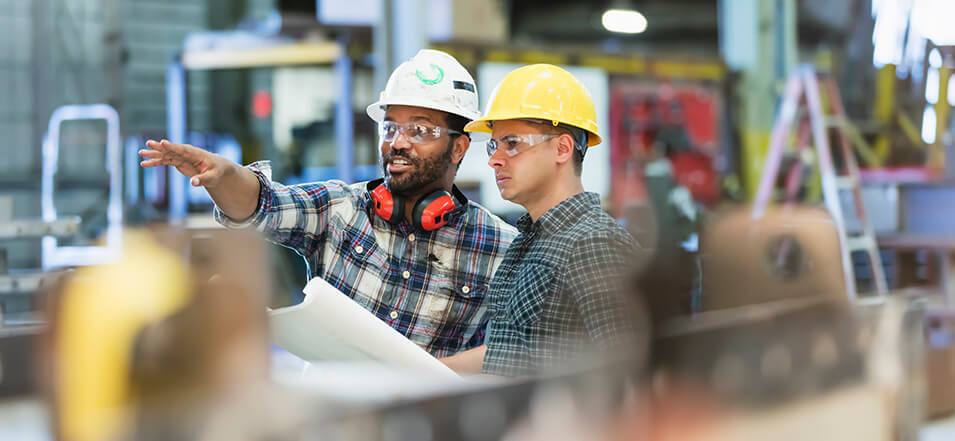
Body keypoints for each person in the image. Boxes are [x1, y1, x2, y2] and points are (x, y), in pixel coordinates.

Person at [139, 49, 517, 358]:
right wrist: (222, 175)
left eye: (419, 130)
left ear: (460, 146)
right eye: (390, 127)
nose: (398, 142)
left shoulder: (500, 248)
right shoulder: (340, 209)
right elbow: (262, 203)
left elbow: (507, 357)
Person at [439, 64, 646, 376]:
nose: (495, 158)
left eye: (512, 143)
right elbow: (508, 353)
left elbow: (634, 370)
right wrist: (423, 370)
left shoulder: (594, 244)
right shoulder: (528, 241)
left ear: (562, 148)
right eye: (494, 145)